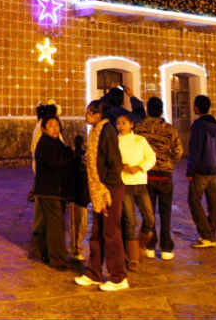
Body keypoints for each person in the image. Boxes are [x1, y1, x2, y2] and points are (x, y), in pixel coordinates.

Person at [74, 99, 128, 292]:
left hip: (109, 189)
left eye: (90, 112)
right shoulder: (95, 132)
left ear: (99, 115)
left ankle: (118, 276)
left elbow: (115, 163)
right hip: (98, 189)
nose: (87, 116)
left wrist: (107, 192)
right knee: (97, 232)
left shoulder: (107, 132)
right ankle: (94, 272)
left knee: (111, 233)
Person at [136, 96, 184, 259]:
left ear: (148, 109)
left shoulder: (140, 128)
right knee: (165, 212)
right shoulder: (170, 129)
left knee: (148, 212)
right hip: (164, 175)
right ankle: (166, 248)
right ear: (161, 110)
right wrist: (168, 162)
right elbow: (178, 151)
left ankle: (150, 244)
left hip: (146, 176)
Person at [30, 116, 72, 269]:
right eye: (51, 126)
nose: (55, 129)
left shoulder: (55, 143)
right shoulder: (46, 144)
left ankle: (45, 254)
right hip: (50, 190)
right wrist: (70, 157)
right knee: (55, 226)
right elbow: (56, 163)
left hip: (52, 190)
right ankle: (57, 259)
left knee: (48, 225)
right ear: (44, 129)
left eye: (57, 125)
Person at [116, 113, 156, 270]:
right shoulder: (115, 141)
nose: (121, 126)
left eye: (124, 122)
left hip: (140, 182)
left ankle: (140, 245)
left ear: (131, 124)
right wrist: (123, 166)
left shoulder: (140, 140)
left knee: (149, 217)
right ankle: (133, 257)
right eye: (118, 123)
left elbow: (151, 157)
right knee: (130, 220)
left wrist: (139, 167)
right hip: (124, 183)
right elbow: (112, 160)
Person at [187, 94, 216, 247]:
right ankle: (211, 234)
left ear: (197, 107)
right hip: (214, 167)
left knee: (194, 201)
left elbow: (195, 149)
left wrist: (190, 170)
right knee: (213, 202)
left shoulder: (198, 125)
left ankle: (207, 235)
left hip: (201, 168)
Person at [68, 134, 89, 261]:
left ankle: (76, 247)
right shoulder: (75, 157)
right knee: (78, 223)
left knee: (79, 223)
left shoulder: (82, 156)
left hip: (80, 195)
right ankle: (76, 248)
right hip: (78, 194)